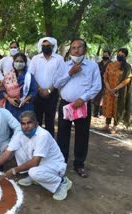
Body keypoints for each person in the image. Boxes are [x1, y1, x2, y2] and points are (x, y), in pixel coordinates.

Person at [0, 111, 72, 201]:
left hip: (54, 166)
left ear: (36, 124)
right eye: (23, 124)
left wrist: (14, 170)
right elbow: (7, 153)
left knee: (34, 172)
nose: (26, 127)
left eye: (29, 123)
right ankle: (34, 177)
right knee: (15, 149)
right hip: (39, 164)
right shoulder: (20, 134)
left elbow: (35, 161)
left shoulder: (43, 135)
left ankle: (62, 182)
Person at [53, 38, 101, 178]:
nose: (76, 50)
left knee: (82, 134)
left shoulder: (92, 66)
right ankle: (61, 162)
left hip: (82, 105)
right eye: (73, 47)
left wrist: (83, 98)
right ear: (70, 50)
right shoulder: (64, 66)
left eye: (79, 47)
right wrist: (70, 73)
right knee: (62, 134)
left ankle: (79, 164)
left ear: (84, 49)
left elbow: (97, 86)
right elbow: (56, 84)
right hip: (66, 104)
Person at [29, 37, 64, 137]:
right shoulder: (36, 58)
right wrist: (39, 89)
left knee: (50, 120)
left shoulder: (59, 59)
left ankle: (49, 144)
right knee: (36, 119)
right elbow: (31, 75)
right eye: (43, 46)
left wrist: (49, 90)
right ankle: (36, 142)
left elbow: (61, 76)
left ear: (53, 46)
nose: (45, 48)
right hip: (37, 93)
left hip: (52, 93)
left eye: (48, 46)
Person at [0, 52, 37, 120]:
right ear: (13, 62)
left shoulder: (29, 76)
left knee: (25, 126)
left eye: (21, 61)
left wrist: (24, 101)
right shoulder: (8, 75)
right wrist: (9, 99)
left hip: (25, 106)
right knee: (11, 126)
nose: (19, 63)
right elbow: (1, 90)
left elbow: (33, 91)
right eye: (17, 61)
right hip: (10, 106)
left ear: (25, 63)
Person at [101, 48, 131, 134]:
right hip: (109, 91)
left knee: (117, 108)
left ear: (125, 56)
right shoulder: (110, 65)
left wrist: (115, 89)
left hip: (119, 92)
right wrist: (109, 88)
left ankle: (114, 126)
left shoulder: (127, 67)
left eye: (122, 55)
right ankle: (107, 125)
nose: (119, 56)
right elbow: (105, 77)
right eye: (119, 54)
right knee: (109, 108)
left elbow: (127, 80)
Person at [93, 50, 112, 117]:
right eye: (104, 55)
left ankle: (102, 113)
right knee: (96, 98)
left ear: (109, 56)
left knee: (104, 98)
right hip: (98, 82)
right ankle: (95, 113)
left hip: (107, 84)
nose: (105, 56)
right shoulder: (98, 64)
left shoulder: (111, 65)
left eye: (106, 55)